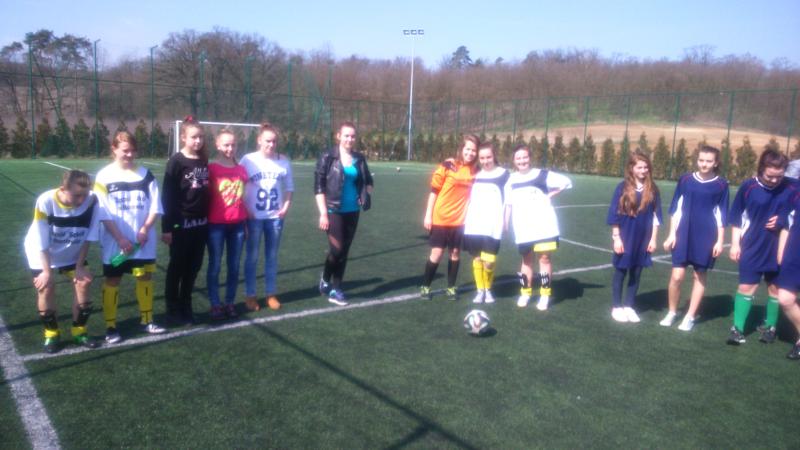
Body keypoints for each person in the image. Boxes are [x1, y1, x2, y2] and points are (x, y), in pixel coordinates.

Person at [95, 132, 166, 343]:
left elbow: (155, 206)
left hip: (141, 242)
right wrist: (120, 238)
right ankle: (111, 327)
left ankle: (147, 320)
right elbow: (102, 212)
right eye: (125, 150)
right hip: (116, 244)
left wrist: (144, 229)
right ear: (114, 149)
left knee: (144, 276)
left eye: (133, 150)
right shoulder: (104, 176)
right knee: (113, 279)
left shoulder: (145, 175)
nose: (129, 155)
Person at [24, 170, 102, 353]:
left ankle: (79, 331)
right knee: (46, 287)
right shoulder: (46, 201)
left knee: (83, 283)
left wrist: (80, 266)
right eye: (76, 195)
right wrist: (47, 272)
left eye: (85, 195)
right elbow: (41, 241)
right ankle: (51, 334)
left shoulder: (93, 200)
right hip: (41, 252)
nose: (81, 200)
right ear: (62, 189)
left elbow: (89, 237)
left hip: (72, 250)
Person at [727, 149, 796, 345]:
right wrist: (735, 244)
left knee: (775, 288)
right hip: (752, 244)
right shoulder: (749, 187)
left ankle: (770, 327)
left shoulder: (792, 187)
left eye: (779, 176)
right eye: (769, 176)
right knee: (746, 286)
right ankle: (737, 329)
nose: (774, 180)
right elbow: (737, 216)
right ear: (761, 169)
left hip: (780, 246)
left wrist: (782, 219)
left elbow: (793, 211)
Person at [660, 146, 729, 331]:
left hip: (706, 236)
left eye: (708, 161)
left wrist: (720, 241)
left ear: (716, 163)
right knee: (677, 276)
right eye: (701, 160)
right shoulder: (685, 180)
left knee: (699, 275)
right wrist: (671, 234)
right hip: (683, 233)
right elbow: (675, 208)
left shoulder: (721, 185)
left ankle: (689, 316)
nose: (704, 164)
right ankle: (672, 312)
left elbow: (721, 215)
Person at [504, 145, 572, 310]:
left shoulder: (542, 174)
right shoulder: (511, 180)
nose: (522, 161)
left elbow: (566, 182)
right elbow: (508, 203)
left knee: (544, 260)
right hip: (523, 228)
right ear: (514, 161)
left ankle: (545, 294)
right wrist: (505, 223)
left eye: (525, 157)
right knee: (526, 261)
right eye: (518, 158)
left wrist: (551, 194)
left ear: (530, 158)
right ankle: (525, 292)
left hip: (544, 226)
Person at [314, 122, 374, 306]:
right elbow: (319, 187)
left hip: (352, 211)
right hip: (333, 210)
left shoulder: (359, 158)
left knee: (344, 251)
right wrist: (323, 213)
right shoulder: (327, 157)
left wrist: (364, 194)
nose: (350, 139)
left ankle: (335, 288)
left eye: (353, 136)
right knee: (337, 250)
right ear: (338, 136)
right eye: (346, 135)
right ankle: (327, 280)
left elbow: (368, 182)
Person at [240, 123, 294, 311]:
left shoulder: (283, 161)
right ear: (259, 140)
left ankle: (271, 294)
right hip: (254, 217)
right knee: (252, 257)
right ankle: (250, 295)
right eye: (267, 141)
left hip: (275, 218)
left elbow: (289, 187)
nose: (271, 145)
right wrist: (246, 209)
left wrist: (286, 206)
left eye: (274, 141)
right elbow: (237, 185)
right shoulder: (248, 160)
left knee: (271, 256)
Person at [161, 116, 209, 325]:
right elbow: (167, 196)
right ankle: (172, 309)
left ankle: (186, 305)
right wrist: (167, 228)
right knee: (177, 268)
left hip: (201, 225)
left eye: (201, 137)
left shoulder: (203, 160)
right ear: (183, 138)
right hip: (181, 224)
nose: (198, 141)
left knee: (194, 267)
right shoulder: (176, 161)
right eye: (193, 137)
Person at [419, 135, 479, 300]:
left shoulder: (476, 171)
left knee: (455, 253)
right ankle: (425, 286)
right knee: (437, 253)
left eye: (474, 150)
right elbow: (434, 191)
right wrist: (428, 215)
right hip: (440, 218)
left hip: (459, 220)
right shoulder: (448, 165)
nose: (470, 153)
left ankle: (451, 287)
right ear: (461, 149)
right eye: (467, 149)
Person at [607, 151, 662, 323]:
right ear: (631, 168)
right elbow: (615, 214)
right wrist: (617, 238)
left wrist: (653, 239)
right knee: (621, 271)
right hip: (626, 236)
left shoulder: (652, 189)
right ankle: (617, 307)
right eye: (639, 167)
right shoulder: (622, 188)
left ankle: (629, 306)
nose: (643, 170)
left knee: (636, 273)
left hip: (643, 238)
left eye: (646, 167)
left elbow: (656, 216)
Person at [206, 129, 248, 320]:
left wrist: (245, 223)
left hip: (238, 225)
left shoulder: (241, 170)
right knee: (215, 265)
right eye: (226, 145)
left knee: (234, 266)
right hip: (216, 225)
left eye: (233, 145)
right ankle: (215, 304)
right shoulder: (212, 169)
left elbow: (242, 198)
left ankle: (229, 302)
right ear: (218, 145)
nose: (230, 148)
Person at [463, 143, 509, 304]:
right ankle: (481, 290)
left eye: (488, 157)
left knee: (489, 261)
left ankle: (488, 288)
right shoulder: (476, 174)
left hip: (493, 225)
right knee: (477, 259)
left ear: (494, 156)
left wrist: (506, 221)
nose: (485, 161)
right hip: (474, 224)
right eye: (482, 158)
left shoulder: (504, 174)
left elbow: (510, 200)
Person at [776, 182, 800, 359]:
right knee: (785, 298)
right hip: (794, 252)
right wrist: (781, 252)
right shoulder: (795, 192)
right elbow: (786, 224)